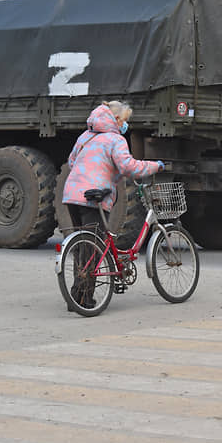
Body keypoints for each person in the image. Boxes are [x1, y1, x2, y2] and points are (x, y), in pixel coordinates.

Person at [62, 100, 165, 308]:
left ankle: (76, 295)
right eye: (125, 120)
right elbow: (129, 167)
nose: (125, 125)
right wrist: (155, 166)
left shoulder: (85, 135)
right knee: (93, 249)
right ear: (116, 119)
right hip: (93, 196)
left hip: (72, 193)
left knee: (83, 244)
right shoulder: (115, 140)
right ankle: (84, 299)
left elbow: (72, 161)